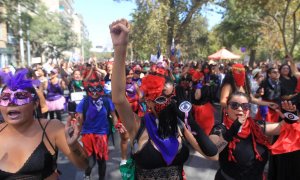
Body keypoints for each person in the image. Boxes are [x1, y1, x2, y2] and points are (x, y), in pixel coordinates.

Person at [110, 19, 218, 179]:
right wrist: (120, 48)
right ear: (148, 101)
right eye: (161, 99)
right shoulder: (137, 125)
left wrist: (189, 120)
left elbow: (212, 155)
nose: (168, 104)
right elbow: (118, 98)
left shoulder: (180, 126)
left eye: (171, 98)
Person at [0, 69, 88, 179]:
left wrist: (73, 145)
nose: (11, 103)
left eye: (20, 96)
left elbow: (84, 165)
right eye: (5, 98)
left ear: (35, 104)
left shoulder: (52, 128)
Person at [209, 91, 299, 180]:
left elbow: (280, 128)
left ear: (249, 109)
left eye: (245, 106)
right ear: (226, 109)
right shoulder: (220, 129)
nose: (240, 109)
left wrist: (291, 117)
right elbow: (213, 151)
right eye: (234, 105)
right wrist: (233, 129)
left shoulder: (256, 126)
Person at [76, 79, 124, 180]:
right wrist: (77, 130)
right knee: (91, 160)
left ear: (101, 89)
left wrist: (117, 125)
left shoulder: (106, 101)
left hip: (102, 134)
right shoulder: (84, 102)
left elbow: (113, 116)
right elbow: (79, 119)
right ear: (88, 89)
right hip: (87, 134)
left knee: (101, 160)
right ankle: (87, 174)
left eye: (97, 88)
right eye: (91, 88)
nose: (94, 92)